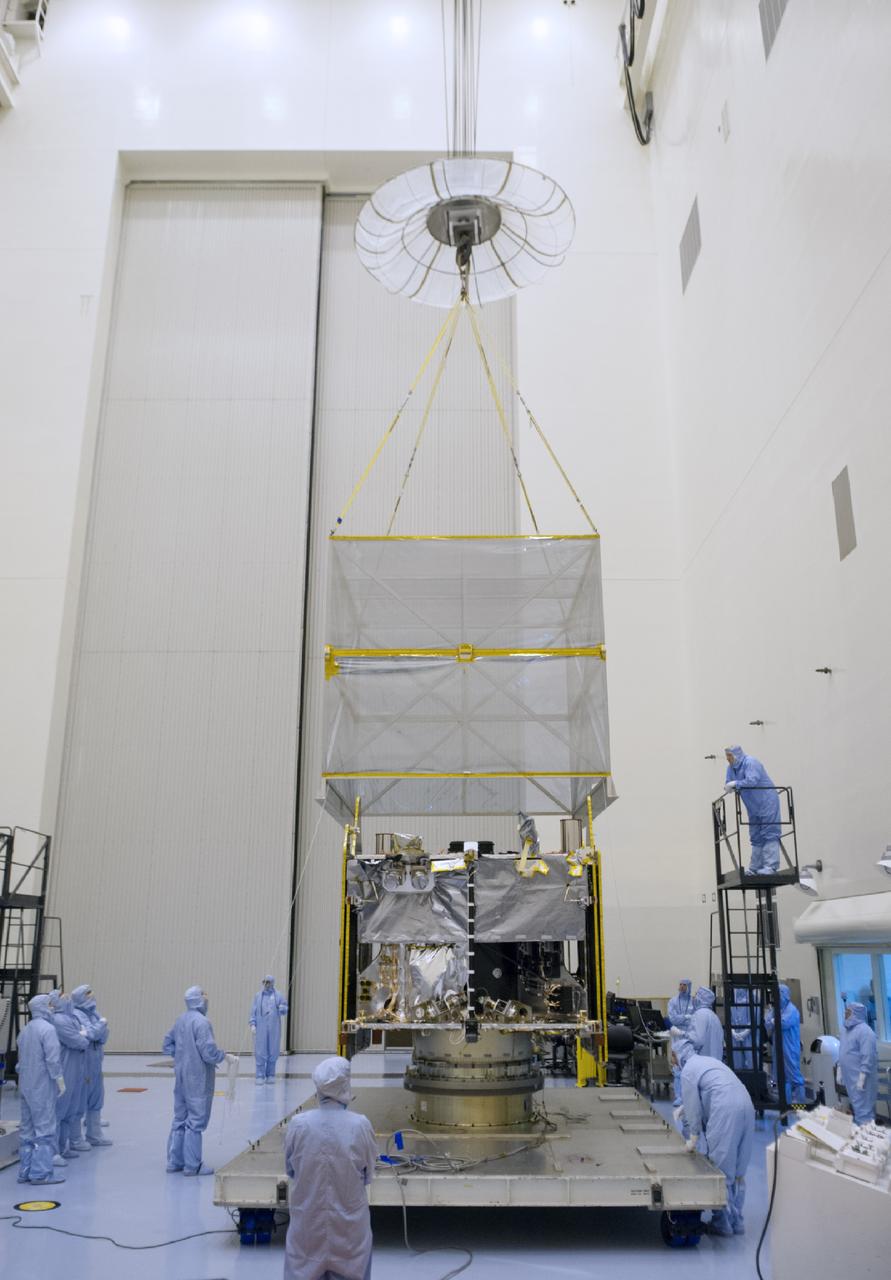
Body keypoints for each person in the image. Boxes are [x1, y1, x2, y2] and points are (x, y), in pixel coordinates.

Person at [283, 1056, 378, 1280]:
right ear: (345, 1084)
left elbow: (291, 1170)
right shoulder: (360, 1125)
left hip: (307, 1226)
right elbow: (368, 1174)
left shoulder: (299, 1125)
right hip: (350, 1229)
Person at [675, 1038, 754, 1236]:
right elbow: (709, 1091)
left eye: (672, 1057)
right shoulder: (706, 1061)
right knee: (738, 1168)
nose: (672, 1063)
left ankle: (722, 1224)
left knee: (722, 1164)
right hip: (746, 1103)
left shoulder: (688, 1071)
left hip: (725, 1109)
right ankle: (737, 1221)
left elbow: (693, 1109)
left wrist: (693, 1137)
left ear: (678, 1055)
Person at [162, 986, 236, 1176]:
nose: (207, 999)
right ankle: (192, 1165)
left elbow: (167, 1043)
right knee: (195, 1120)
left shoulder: (180, 1020)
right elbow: (208, 1052)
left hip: (181, 1075)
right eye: (204, 995)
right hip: (197, 1077)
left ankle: (174, 1162)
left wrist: (181, 1056)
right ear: (199, 1000)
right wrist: (224, 1056)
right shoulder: (202, 1022)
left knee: (180, 1118)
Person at [15, 995, 66, 1185]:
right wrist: (59, 1080)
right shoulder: (48, 1029)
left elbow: (20, 1062)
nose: (52, 1007)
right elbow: (52, 1060)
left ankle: (25, 1171)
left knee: (27, 1130)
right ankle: (41, 1174)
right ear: (44, 1007)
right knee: (44, 1129)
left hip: (25, 1085)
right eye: (50, 1004)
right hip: (42, 1086)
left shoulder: (26, 1030)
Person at [724, 745, 782, 875]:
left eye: (730, 755)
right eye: (727, 756)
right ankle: (755, 868)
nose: (728, 758)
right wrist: (729, 786)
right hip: (752, 806)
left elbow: (752, 780)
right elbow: (728, 782)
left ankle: (770, 866)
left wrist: (735, 784)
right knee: (755, 835)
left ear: (737, 754)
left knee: (770, 832)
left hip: (767, 801)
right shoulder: (731, 768)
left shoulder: (751, 762)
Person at [71, 984, 112, 1146]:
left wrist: (98, 1029)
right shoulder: (77, 1015)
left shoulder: (93, 1013)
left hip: (95, 1059)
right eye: (88, 994)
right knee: (81, 1098)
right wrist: (100, 1027)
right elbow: (93, 1034)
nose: (91, 997)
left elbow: (101, 1036)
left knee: (96, 1095)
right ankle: (76, 1138)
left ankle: (95, 1134)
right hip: (84, 1061)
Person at [52, 992, 91, 1158]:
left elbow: (83, 1039)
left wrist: (83, 1036)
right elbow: (79, 1041)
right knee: (60, 1111)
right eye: (63, 997)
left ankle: (63, 1147)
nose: (68, 1000)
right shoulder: (59, 1020)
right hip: (65, 1069)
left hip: (76, 1068)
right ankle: (54, 1151)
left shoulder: (71, 1018)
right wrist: (83, 1036)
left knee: (71, 1109)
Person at [837, 1001, 878, 1125]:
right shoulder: (845, 1030)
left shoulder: (866, 1032)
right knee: (855, 1105)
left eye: (848, 1012)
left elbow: (868, 1055)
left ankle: (867, 1138)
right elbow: (842, 1050)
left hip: (862, 1078)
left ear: (856, 1014)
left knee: (864, 1109)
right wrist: (839, 1069)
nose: (845, 1014)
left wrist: (863, 1076)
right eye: (845, 1012)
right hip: (849, 1077)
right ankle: (859, 1133)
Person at [764, 983, 806, 1104]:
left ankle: (800, 1107)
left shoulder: (792, 1010)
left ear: (785, 995)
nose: (776, 997)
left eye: (779, 994)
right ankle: (786, 1104)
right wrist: (772, 1020)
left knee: (795, 1077)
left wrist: (773, 1021)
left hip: (790, 1048)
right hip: (778, 1047)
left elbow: (782, 1023)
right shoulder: (777, 1009)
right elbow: (767, 1022)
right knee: (783, 1078)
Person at [249, 975, 288, 1084]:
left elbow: (284, 1008)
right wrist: (253, 1024)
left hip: (274, 1028)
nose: (266, 984)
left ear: (272, 983)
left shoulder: (278, 995)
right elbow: (253, 1010)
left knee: (273, 1050)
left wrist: (282, 1008)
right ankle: (260, 1076)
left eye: (268, 982)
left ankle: (271, 1074)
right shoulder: (258, 996)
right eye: (265, 982)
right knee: (260, 1050)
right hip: (261, 1028)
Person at [666, 979, 694, 1105]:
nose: (682, 987)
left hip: (690, 1038)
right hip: (677, 1037)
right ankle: (679, 1096)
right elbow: (673, 1018)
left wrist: (682, 1019)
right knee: (677, 1066)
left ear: (689, 987)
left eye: (684, 985)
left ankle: (689, 1096)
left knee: (689, 1067)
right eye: (680, 985)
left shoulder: (694, 1002)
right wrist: (686, 1017)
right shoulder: (672, 1001)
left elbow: (694, 1019)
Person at [689, 986, 724, 1060]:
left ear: (700, 999)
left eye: (696, 995)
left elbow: (697, 1041)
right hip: (714, 1062)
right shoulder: (713, 1015)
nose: (693, 998)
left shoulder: (700, 1014)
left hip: (703, 1062)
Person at [730, 987, 758, 1071]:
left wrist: (744, 1033)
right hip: (735, 1037)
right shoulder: (732, 1001)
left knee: (751, 1060)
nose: (739, 989)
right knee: (737, 1061)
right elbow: (730, 1019)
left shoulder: (751, 1001)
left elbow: (754, 1020)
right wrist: (733, 1032)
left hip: (749, 1036)